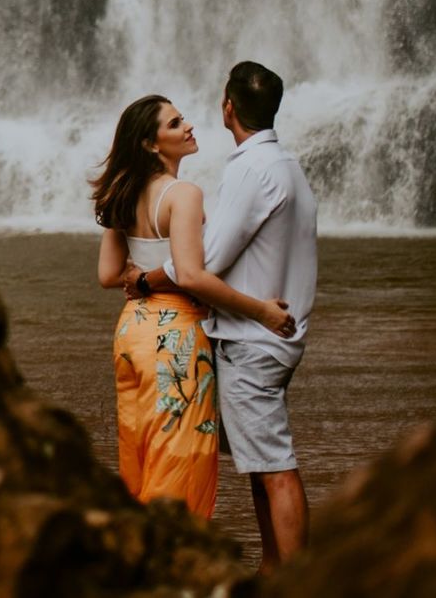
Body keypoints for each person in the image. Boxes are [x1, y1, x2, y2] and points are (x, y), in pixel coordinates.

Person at [132, 62, 319, 573]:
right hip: (277, 334)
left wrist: (147, 279)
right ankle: (272, 568)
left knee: (276, 467)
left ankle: (297, 581)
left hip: (251, 341)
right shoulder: (288, 165)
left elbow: (205, 261)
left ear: (228, 106)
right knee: (263, 464)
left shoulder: (250, 170)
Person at [95, 93, 296, 522]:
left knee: (141, 457)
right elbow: (192, 276)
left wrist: (142, 273)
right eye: (174, 124)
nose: (188, 127)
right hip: (177, 342)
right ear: (151, 144)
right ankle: (168, 570)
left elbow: (109, 275)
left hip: (132, 335)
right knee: (178, 462)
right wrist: (261, 311)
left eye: (182, 119)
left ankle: (134, 565)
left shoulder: (122, 191)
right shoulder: (182, 194)